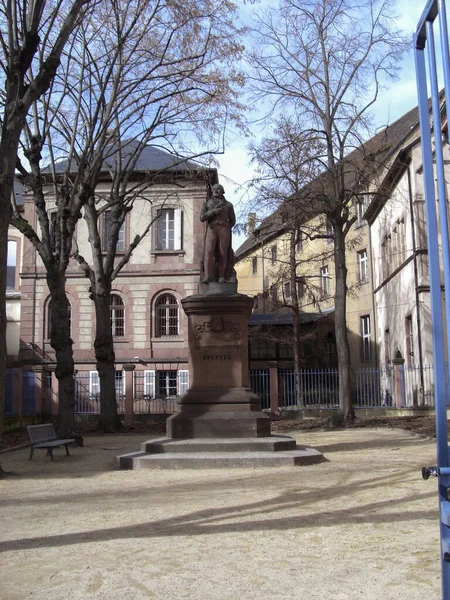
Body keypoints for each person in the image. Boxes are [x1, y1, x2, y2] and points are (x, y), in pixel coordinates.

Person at [200, 183, 236, 283]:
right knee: (208, 251)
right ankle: (207, 276)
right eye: (214, 189)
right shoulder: (207, 204)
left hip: (224, 229)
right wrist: (212, 212)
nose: (216, 190)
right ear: (212, 191)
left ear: (222, 191)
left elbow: (233, 220)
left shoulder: (228, 205)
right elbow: (202, 217)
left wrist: (226, 228)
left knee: (223, 253)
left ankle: (221, 276)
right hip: (212, 228)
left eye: (218, 189)